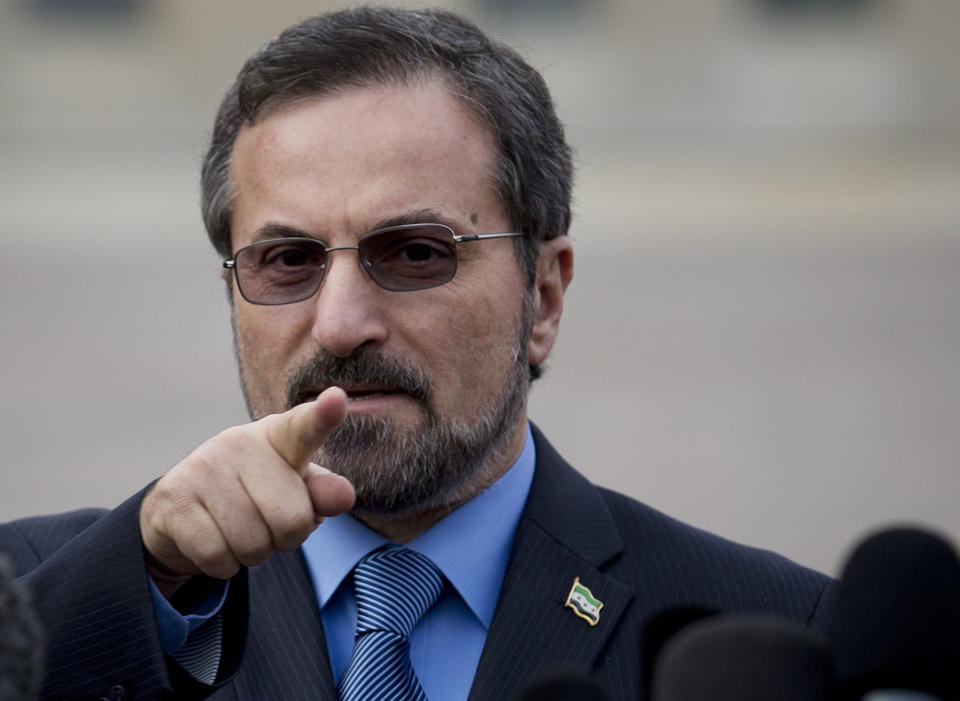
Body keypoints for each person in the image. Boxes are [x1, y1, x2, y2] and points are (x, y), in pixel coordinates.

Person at [0, 7, 831, 700]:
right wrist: (150, 576)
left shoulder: (774, 640)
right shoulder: (42, 594)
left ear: (542, 296)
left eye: (413, 253)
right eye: (288, 260)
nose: (340, 323)